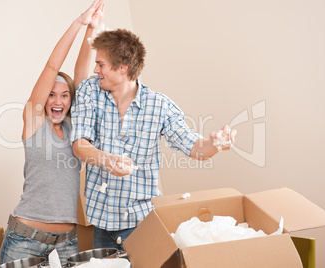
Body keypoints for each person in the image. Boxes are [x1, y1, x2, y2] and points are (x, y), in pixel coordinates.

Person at [70, 28, 237, 250]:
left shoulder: (159, 105)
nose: (95, 69)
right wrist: (106, 159)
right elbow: (79, 145)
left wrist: (215, 144)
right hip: (100, 222)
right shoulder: (90, 91)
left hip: (141, 225)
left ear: (122, 68)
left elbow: (197, 149)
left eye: (101, 64)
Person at [0, 0, 104, 265]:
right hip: (24, 241)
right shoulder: (34, 123)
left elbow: (81, 72)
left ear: (71, 101)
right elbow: (51, 68)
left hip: (67, 243)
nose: (58, 101)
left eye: (65, 95)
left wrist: (92, 30)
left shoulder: (74, 129)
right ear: (44, 99)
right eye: (52, 95)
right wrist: (78, 23)